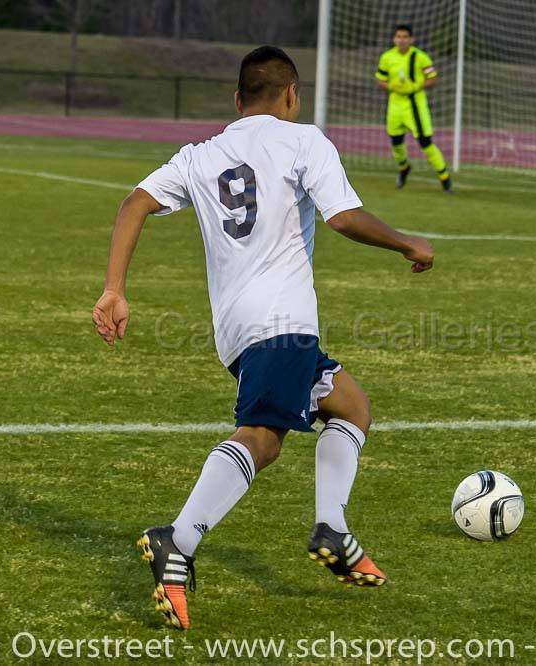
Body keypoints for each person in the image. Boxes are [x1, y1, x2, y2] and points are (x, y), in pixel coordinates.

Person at [92, 45, 435, 631]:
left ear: (236, 100)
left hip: (236, 329)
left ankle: (333, 527)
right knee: (263, 438)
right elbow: (343, 216)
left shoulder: (199, 155)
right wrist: (408, 243)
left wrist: (113, 290)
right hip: (282, 320)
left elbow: (133, 204)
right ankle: (178, 539)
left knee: (350, 405)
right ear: (292, 96)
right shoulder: (303, 141)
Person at [375, 24, 452, 192]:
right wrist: (392, 86)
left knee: (425, 143)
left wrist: (416, 86)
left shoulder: (420, 57)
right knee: (396, 142)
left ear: (411, 39)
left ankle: (445, 177)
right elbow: (381, 81)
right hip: (395, 106)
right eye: (398, 37)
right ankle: (404, 168)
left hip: (415, 106)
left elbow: (433, 78)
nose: (401, 40)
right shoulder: (387, 57)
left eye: (405, 37)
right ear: (394, 39)